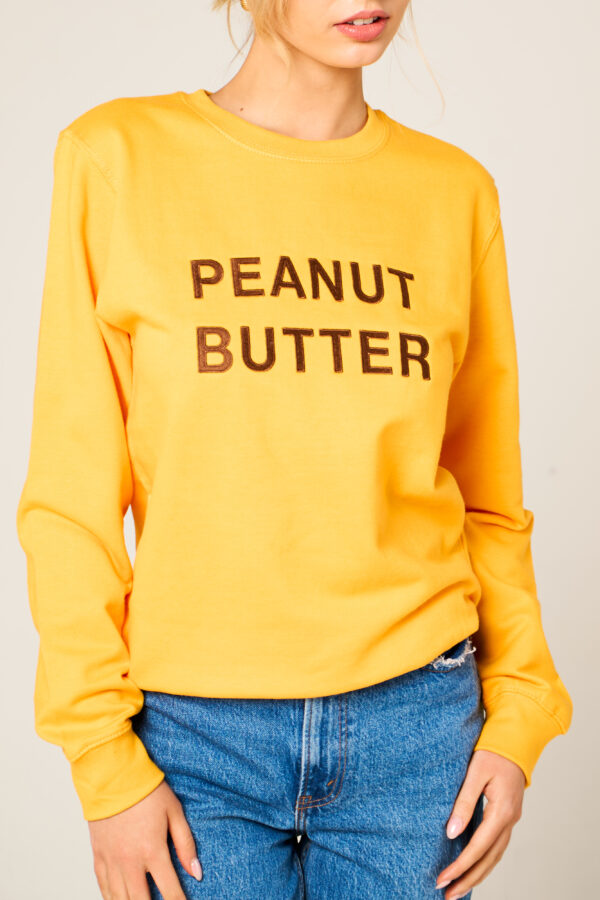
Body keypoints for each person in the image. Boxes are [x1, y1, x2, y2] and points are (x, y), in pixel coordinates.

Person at [15, 1, 573, 898]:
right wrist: (101, 759)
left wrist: (520, 715)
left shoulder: (453, 192)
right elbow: (70, 496)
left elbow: (487, 495)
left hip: (418, 725)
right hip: (193, 737)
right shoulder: (118, 158)